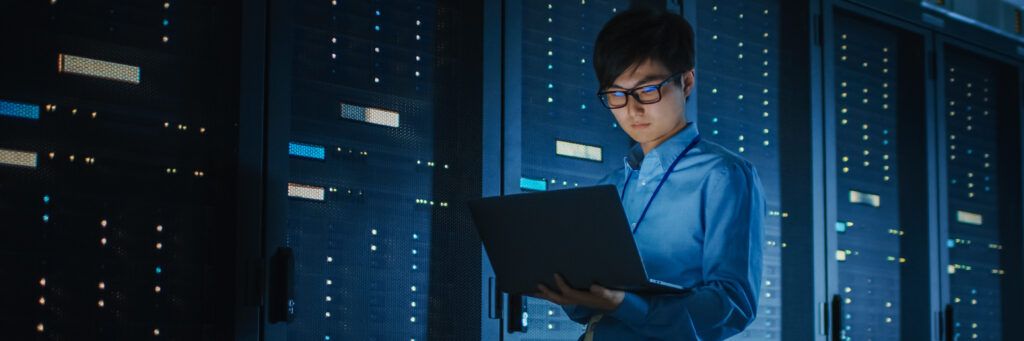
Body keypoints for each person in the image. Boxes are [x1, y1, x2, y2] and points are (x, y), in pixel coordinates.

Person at [532, 7, 766, 341]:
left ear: (686, 82)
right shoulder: (609, 186)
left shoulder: (724, 176)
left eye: (647, 89)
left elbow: (733, 305)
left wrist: (627, 305)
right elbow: (588, 308)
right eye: (616, 94)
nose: (632, 109)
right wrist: (571, 291)